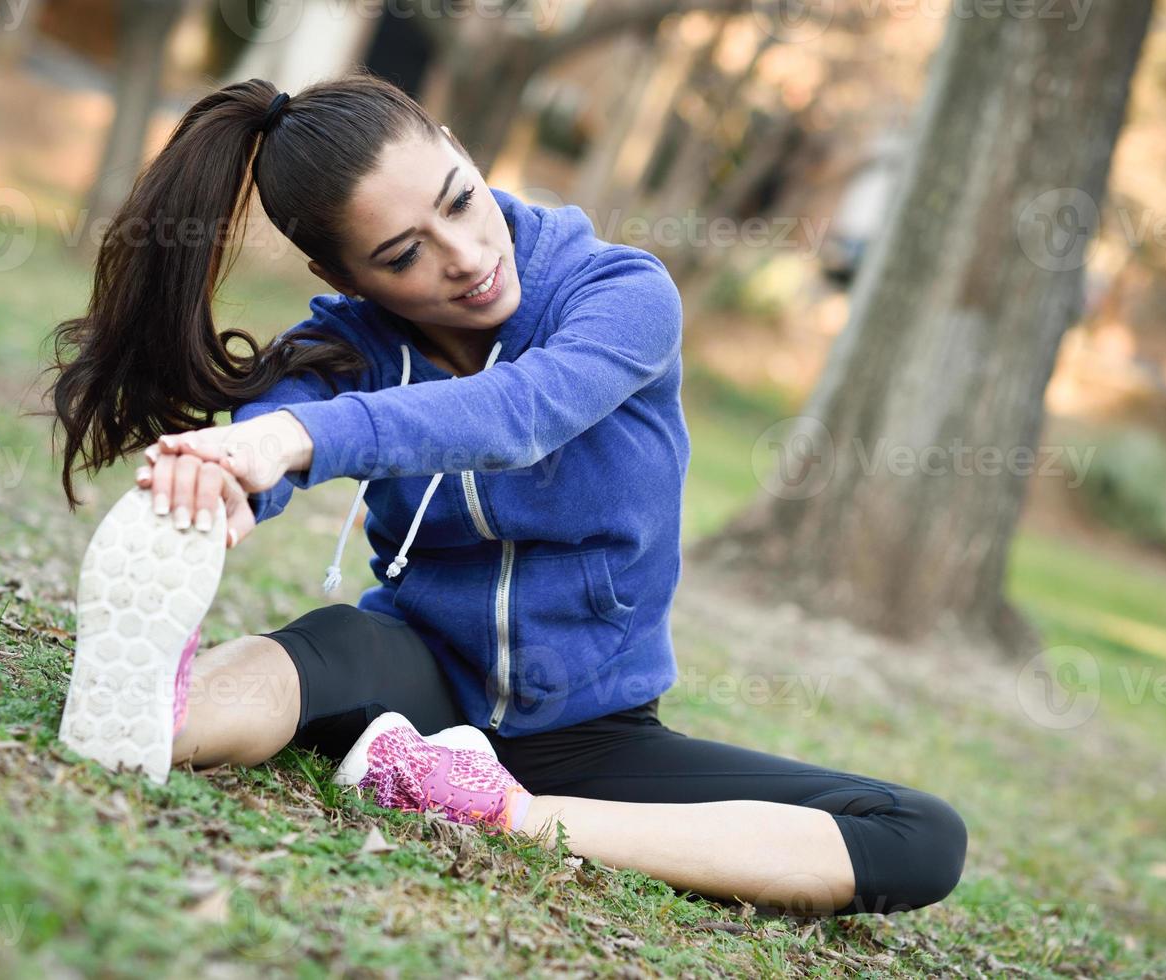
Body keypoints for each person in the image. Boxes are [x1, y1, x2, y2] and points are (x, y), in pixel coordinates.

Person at [47, 72, 967, 917]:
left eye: (459, 199)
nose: (463, 256)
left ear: (460, 146)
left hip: (591, 734)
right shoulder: (345, 343)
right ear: (343, 276)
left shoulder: (618, 293)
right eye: (404, 253)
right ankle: (153, 707)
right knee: (315, 654)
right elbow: (277, 451)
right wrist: (217, 486)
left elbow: (518, 413)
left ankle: (490, 807)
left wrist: (292, 437)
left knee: (920, 838)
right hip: (415, 670)